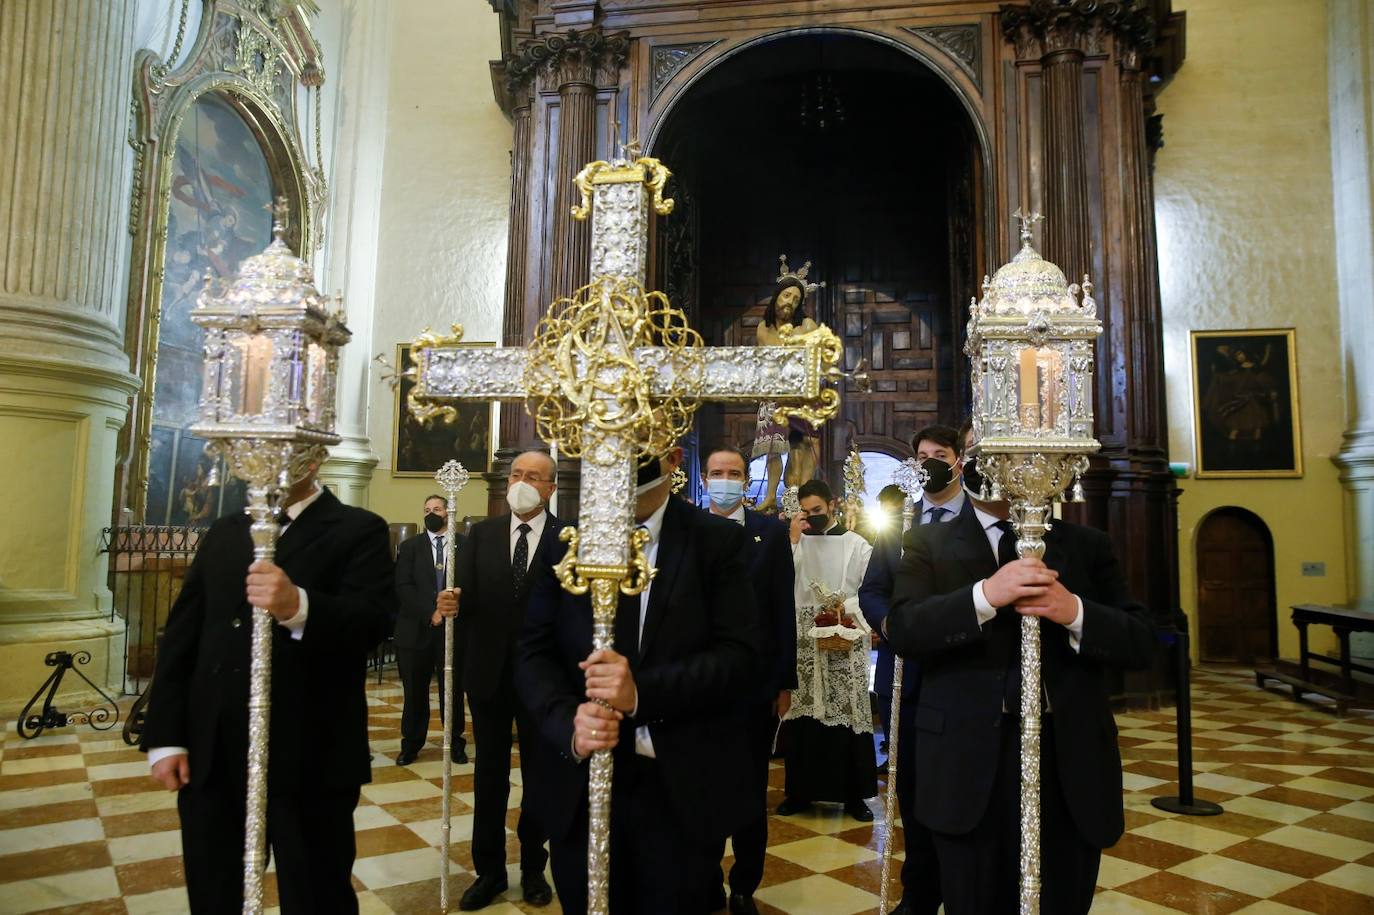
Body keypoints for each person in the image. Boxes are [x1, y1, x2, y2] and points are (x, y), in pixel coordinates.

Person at [883, 422, 1154, 914]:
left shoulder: (1086, 546)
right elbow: (904, 630)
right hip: (965, 761)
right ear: (969, 461)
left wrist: (1074, 611)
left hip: (1067, 761)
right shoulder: (928, 543)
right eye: (980, 450)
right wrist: (985, 596)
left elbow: (1141, 644)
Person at [516, 445, 761, 915]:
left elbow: (740, 657)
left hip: (675, 781)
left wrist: (642, 693)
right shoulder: (567, 540)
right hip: (580, 779)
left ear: (670, 458)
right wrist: (568, 722)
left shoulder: (714, 541)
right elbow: (533, 650)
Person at [142, 463, 394, 914]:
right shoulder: (225, 530)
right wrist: (165, 736)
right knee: (215, 889)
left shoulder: (358, 528)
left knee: (316, 892)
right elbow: (185, 633)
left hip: (311, 750)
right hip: (214, 751)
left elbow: (372, 623)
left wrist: (298, 605)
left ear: (311, 459)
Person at [438, 451, 562, 909]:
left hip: (544, 680)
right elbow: (466, 600)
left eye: (532, 477)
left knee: (540, 775)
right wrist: (451, 601)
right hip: (488, 673)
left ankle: (533, 868)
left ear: (550, 487)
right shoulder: (482, 534)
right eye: (516, 475)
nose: (521, 483)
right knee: (490, 775)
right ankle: (488, 870)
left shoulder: (567, 538)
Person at [857, 423, 967, 915]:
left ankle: (966, 889)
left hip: (962, 673)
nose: (928, 463)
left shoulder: (978, 518)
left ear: (959, 459)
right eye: (920, 455)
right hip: (904, 675)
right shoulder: (898, 521)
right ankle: (919, 891)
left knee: (963, 785)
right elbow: (873, 587)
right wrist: (891, 623)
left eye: (938, 453)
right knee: (914, 789)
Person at [699, 444, 796, 915]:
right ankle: (704, 877)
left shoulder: (769, 535)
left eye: (733, 472)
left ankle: (744, 884)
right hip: (699, 685)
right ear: (703, 479)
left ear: (747, 480)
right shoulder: (688, 530)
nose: (725, 479)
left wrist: (785, 681)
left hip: (755, 685)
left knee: (751, 787)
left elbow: (783, 610)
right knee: (701, 784)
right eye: (717, 472)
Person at [777, 479, 877, 823]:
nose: (811, 517)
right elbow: (779, 581)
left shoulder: (856, 544)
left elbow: (870, 587)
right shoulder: (794, 542)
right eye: (804, 512)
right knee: (803, 712)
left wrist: (843, 612)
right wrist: (792, 540)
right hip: (803, 635)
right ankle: (800, 791)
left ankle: (853, 796)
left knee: (847, 711)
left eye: (817, 510)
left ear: (832, 504)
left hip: (843, 634)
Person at [393, 494, 468, 767]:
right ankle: (411, 743)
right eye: (426, 510)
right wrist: (431, 612)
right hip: (416, 630)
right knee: (414, 690)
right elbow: (403, 586)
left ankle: (455, 742)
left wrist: (453, 607)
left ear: (448, 512)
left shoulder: (465, 545)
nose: (431, 513)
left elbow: (473, 582)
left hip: (454, 629)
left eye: (436, 509)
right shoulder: (410, 547)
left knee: (453, 689)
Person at [752, 260, 823, 510]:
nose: (790, 302)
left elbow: (815, 362)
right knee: (773, 447)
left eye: (795, 298)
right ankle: (771, 495)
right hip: (773, 394)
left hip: (801, 395)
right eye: (786, 295)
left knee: (805, 443)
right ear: (776, 296)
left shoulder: (807, 326)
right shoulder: (763, 328)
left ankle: (804, 493)